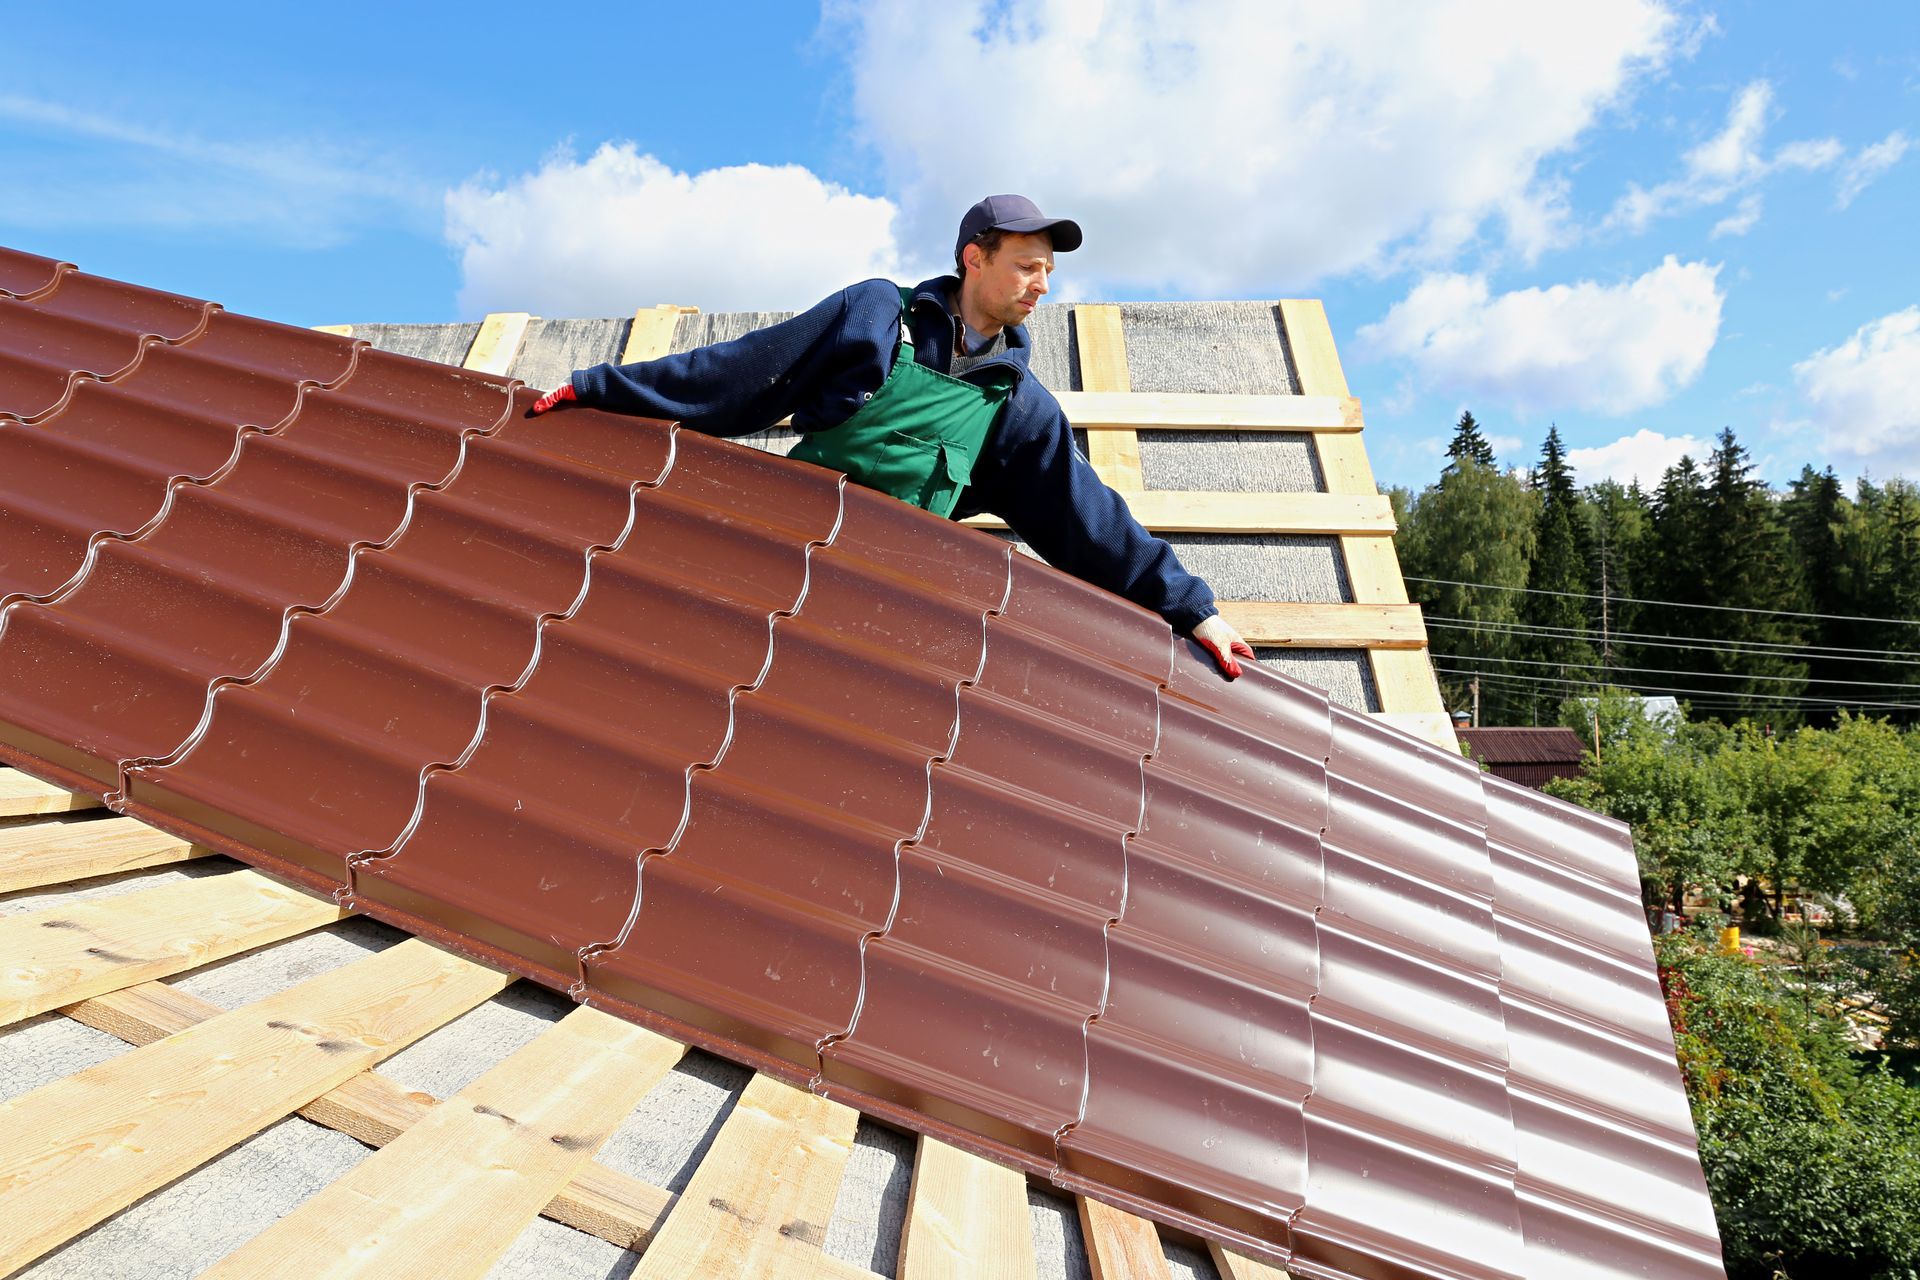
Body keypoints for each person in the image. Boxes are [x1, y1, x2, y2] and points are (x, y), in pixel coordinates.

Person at [531, 194, 1255, 678]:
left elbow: (1085, 521)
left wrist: (1194, 610)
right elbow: (742, 375)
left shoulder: (1014, 403)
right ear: (975, 257)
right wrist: (598, 388)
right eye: (1027, 267)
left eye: (1049, 273)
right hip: (781, 566)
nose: (1042, 286)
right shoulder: (879, 315)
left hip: (885, 614)